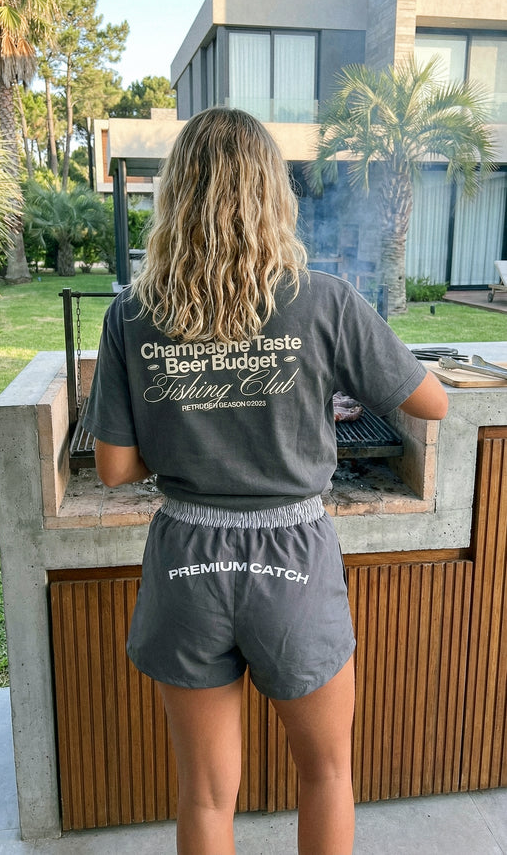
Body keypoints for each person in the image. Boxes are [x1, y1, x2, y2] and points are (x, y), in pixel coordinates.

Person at [83, 107, 448, 855]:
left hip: (187, 560)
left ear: (174, 196)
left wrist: (189, 438)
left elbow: (115, 467)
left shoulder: (132, 314)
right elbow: (431, 401)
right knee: (326, 773)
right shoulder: (325, 299)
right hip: (292, 560)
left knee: (205, 796)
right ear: (271, 194)